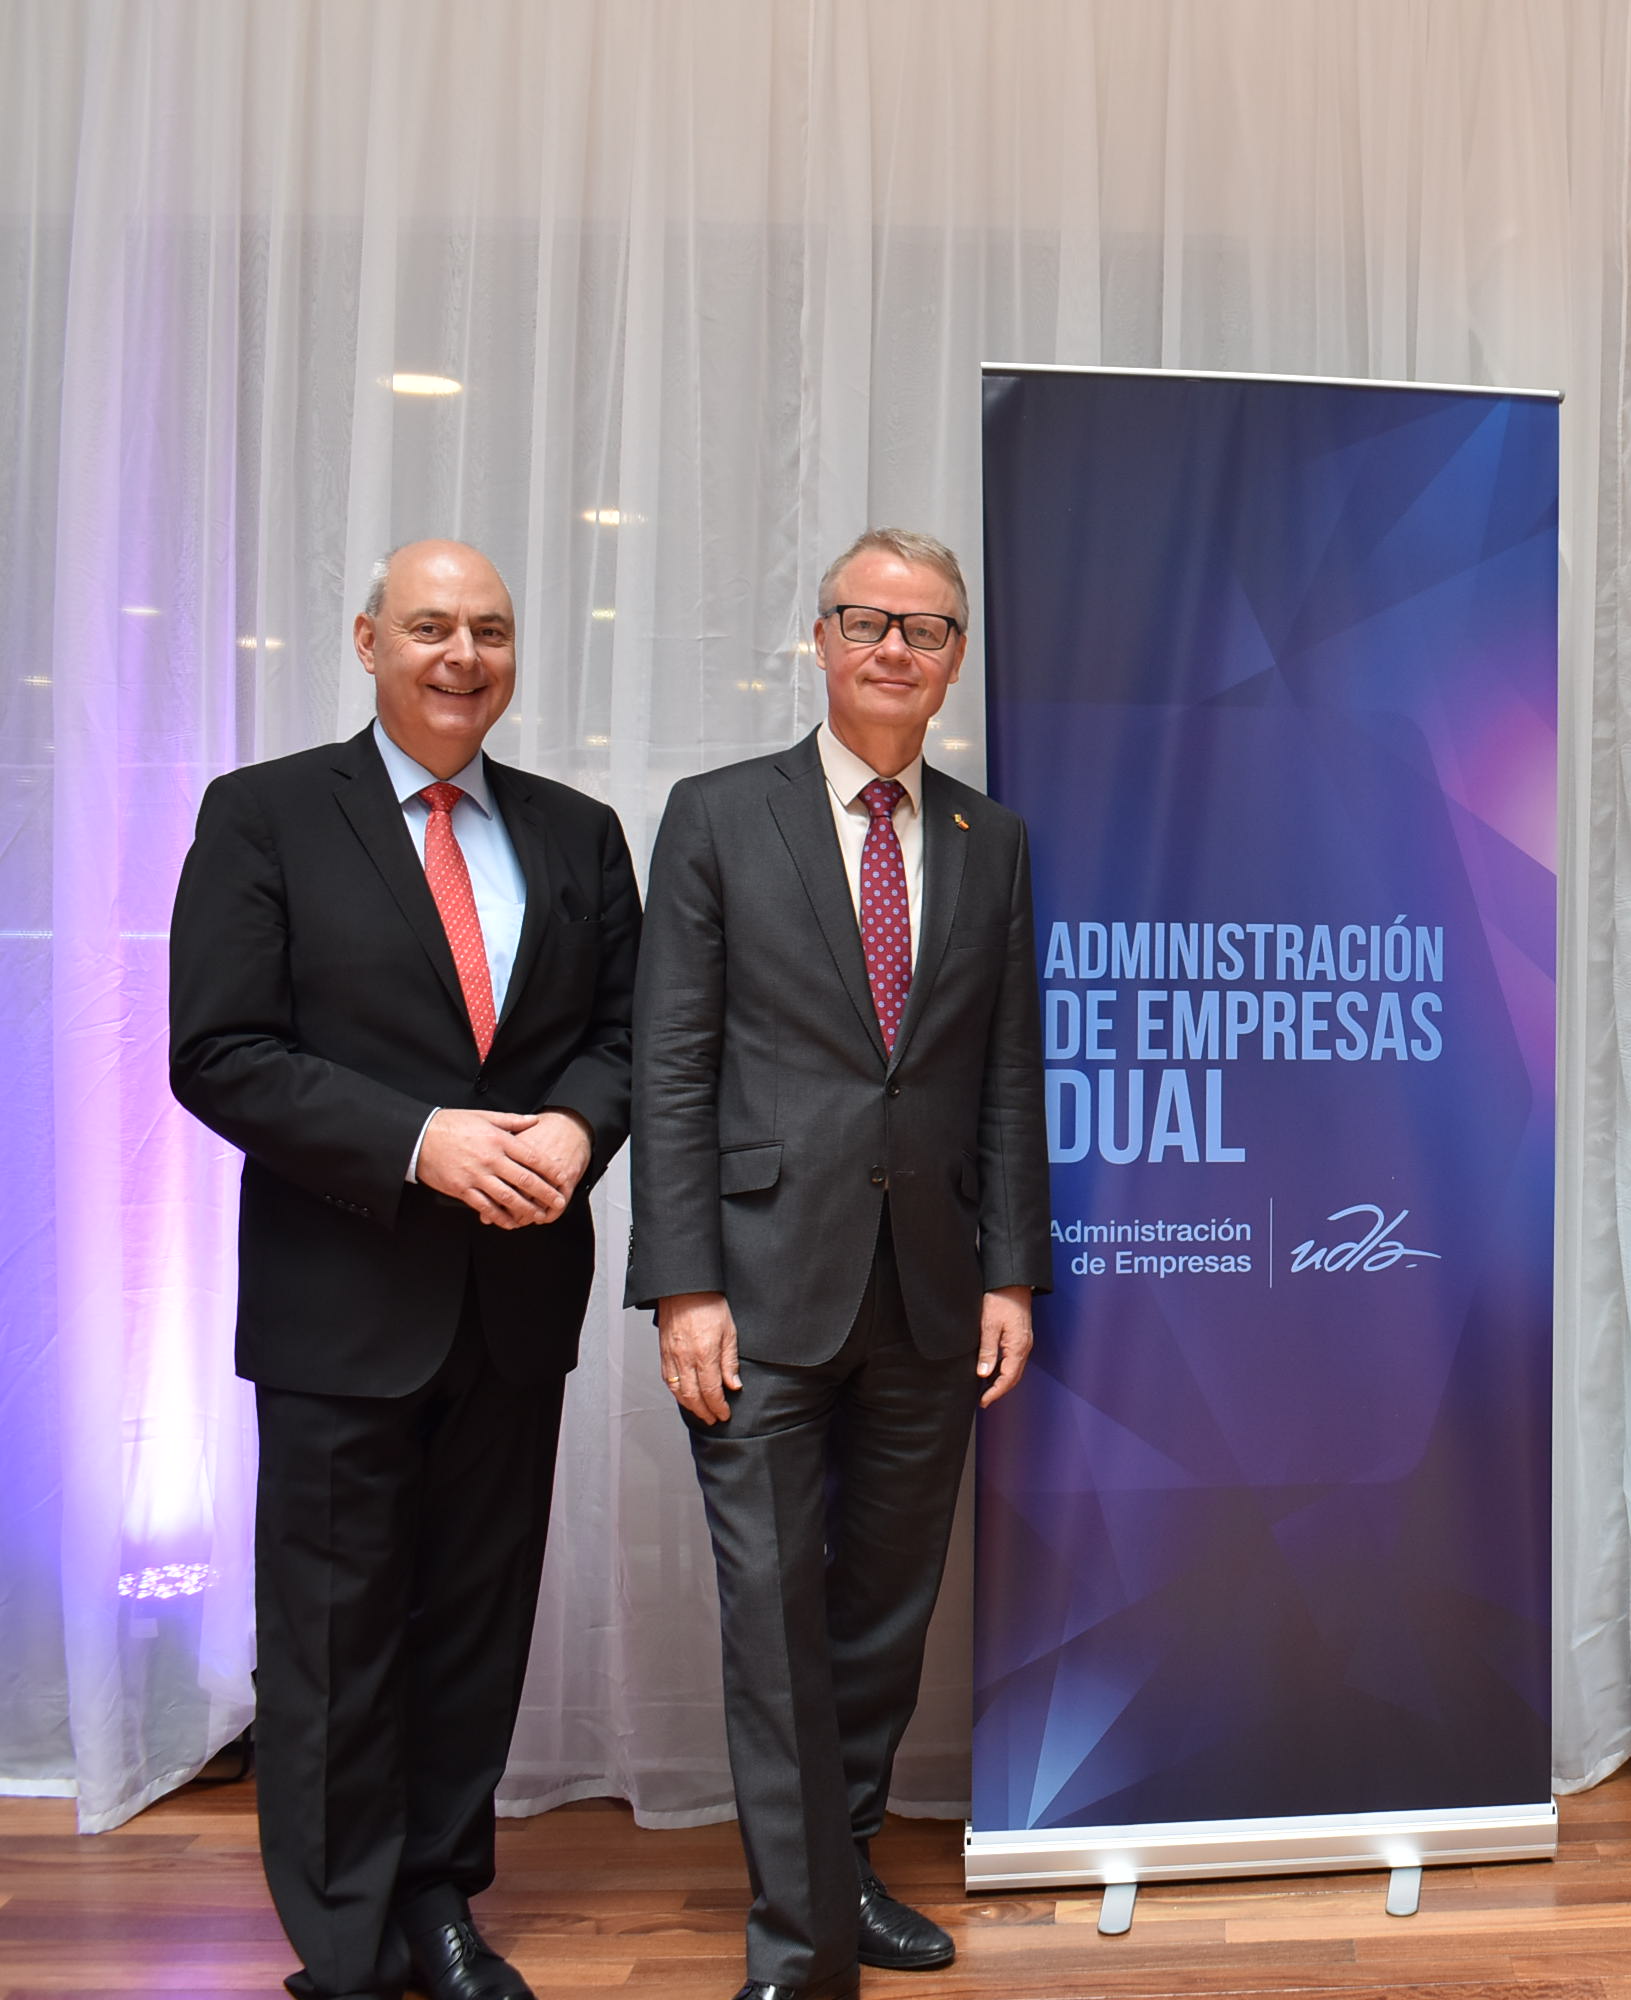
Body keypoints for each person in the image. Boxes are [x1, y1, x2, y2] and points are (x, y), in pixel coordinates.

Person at [168, 540, 640, 2000]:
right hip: (339, 1300)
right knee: (334, 1639)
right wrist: (419, 1141)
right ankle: (344, 1943)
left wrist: (578, 1125)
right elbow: (219, 1050)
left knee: (472, 1629)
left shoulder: (577, 834)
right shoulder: (262, 815)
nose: (463, 656)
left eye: (489, 630)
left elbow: (626, 1034)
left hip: (516, 1300)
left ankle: (439, 1899)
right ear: (369, 641)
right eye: (431, 627)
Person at [628, 527, 1049, 2000]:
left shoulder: (990, 839)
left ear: (954, 659)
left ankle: (845, 1863)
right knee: (771, 1613)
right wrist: (683, 1283)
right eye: (866, 621)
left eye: (924, 629)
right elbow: (671, 1064)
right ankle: (801, 1943)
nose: (892, 649)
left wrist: (1011, 1273)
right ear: (818, 640)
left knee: (880, 1612)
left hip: (931, 1290)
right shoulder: (716, 815)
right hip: (755, 1289)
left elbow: (1007, 1072)